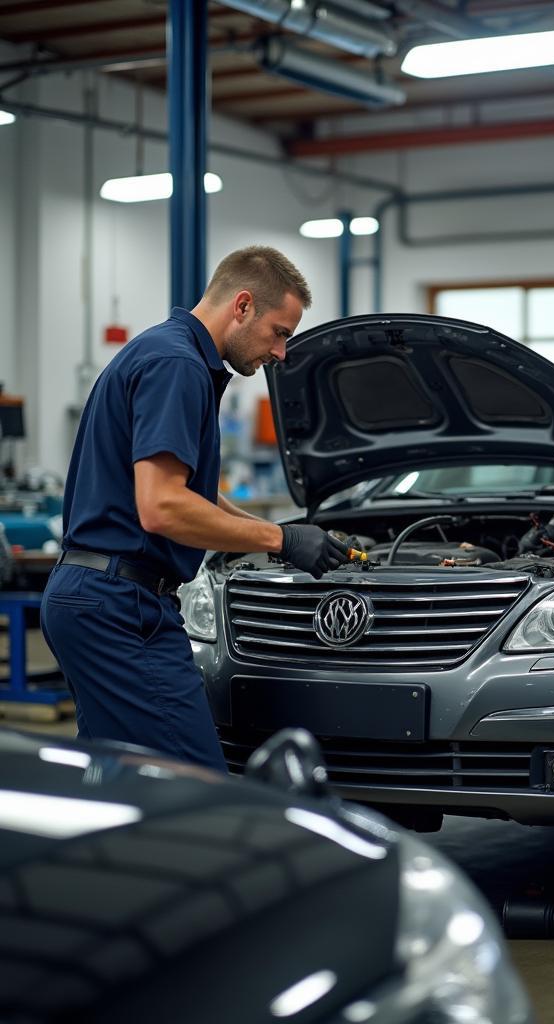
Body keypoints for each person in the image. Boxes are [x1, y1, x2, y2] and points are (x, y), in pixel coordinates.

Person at [42, 246, 348, 771]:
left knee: (119, 786)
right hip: (120, 608)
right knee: (195, 789)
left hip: (97, 597)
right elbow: (161, 508)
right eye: (280, 332)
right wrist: (280, 541)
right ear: (243, 305)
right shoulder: (176, 365)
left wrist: (274, 531)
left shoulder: (166, 353)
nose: (281, 354)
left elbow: (190, 495)